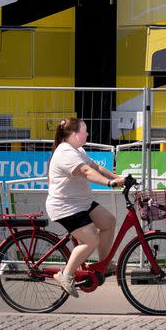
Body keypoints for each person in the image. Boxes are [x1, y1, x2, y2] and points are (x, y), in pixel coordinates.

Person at [45, 117, 125, 298]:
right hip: (65, 206)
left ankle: (103, 264)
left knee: (109, 221)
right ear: (74, 134)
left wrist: (117, 177)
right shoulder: (65, 152)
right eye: (85, 130)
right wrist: (110, 183)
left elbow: (95, 166)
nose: (87, 133)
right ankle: (66, 275)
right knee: (91, 240)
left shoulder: (77, 149)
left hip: (81, 202)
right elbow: (87, 172)